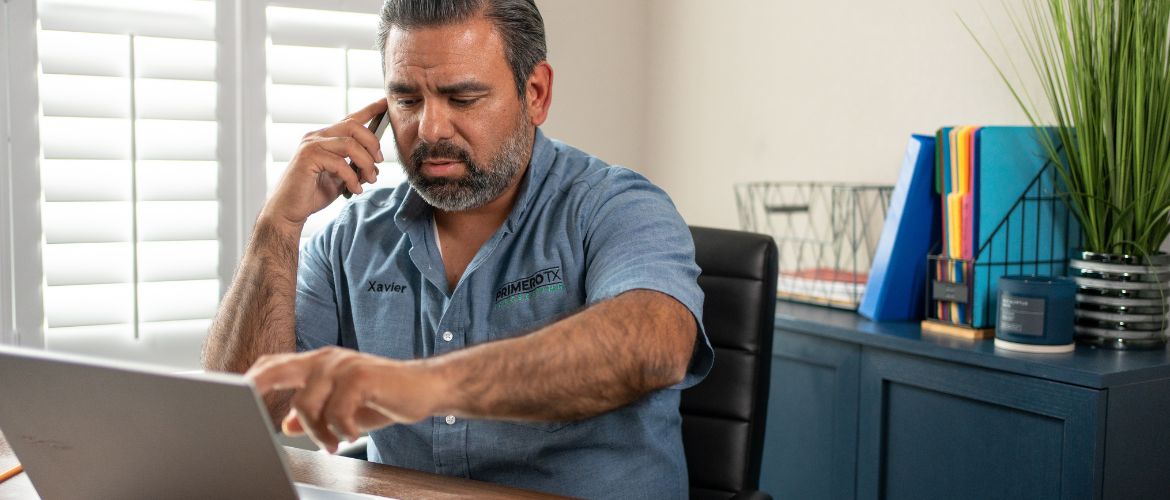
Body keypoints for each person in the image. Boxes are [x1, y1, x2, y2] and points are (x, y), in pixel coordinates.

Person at [202, 0, 712, 497]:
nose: (430, 129)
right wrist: (278, 225)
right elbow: (239, 414)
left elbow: (655, 347)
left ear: (535, 92)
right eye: (407, 100)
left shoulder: (616, 207)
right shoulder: (352, 235)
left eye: (462, 99)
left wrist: (423, 385)